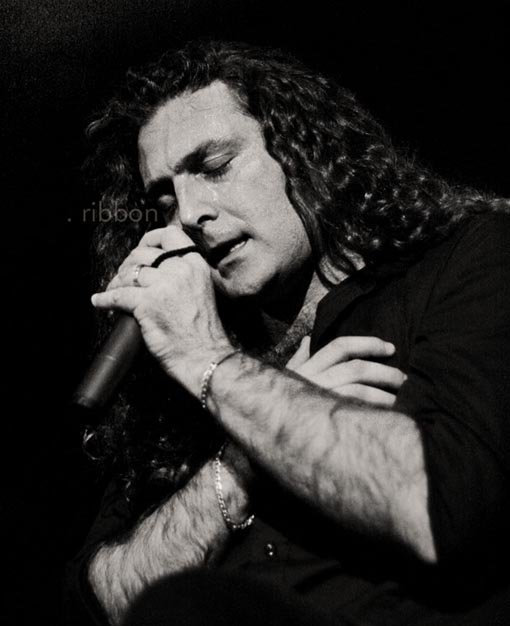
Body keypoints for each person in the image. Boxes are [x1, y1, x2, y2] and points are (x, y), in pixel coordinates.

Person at [65, 40, 510, 626]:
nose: (189, 213)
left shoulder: (470, 259)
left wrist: (209, 360)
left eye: (215, 167)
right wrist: (243, 461)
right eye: (165, 199)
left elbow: (442, 509)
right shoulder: (170, 384)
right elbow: (106, 600)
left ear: (303, 152)